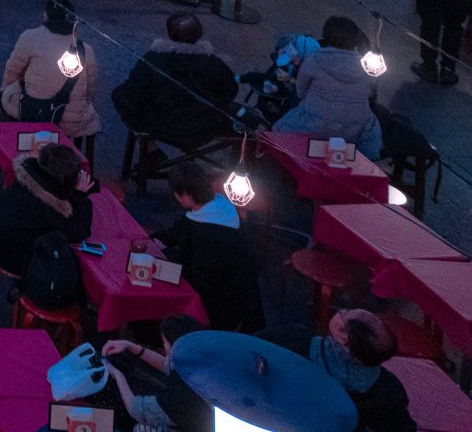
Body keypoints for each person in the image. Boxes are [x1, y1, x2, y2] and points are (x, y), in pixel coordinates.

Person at [113, 12, 241, 162]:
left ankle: (151, 149)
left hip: (161, 124)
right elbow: (230, 91)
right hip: (203, 125)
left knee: (121, 97)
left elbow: (132, 95)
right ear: (199, 34)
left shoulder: (153, 60)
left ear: (170, 33)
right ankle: (188, 154)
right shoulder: (214, 64)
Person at [259, 310, 415, 432]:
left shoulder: (290, 340)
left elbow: (245, 350)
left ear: (342, 337)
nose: (342, 310)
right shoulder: (389, 390)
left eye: (345, 313)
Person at [0, 141, 95, 306]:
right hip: (12, 257)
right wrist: (81, 197)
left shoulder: (27, 175)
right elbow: (79, 231)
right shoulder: (51, 206)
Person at [157, 161, 265, 333]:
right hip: (244, 294)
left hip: (223, 303)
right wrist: (155, 240)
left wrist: (162, 258)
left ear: (185, 195)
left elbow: (198, 276)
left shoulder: (208, 234)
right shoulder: (221, 206)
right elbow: (182, 230)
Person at [1, 0, 102, 148]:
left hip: (33, 112)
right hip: (71, 123)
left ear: (46, 16)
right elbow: (91, 91)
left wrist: (5, 90)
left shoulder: (30, 37)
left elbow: (12, 72)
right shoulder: (85, 50)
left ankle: (17, 147)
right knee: (89, 114)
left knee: (8, 93)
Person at [275, 16, 383, 157]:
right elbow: (369, 94)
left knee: (278, 128)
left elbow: (301, 92)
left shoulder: (314, 59)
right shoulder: (367, 66)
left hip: (315, 127)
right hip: (352, 132)